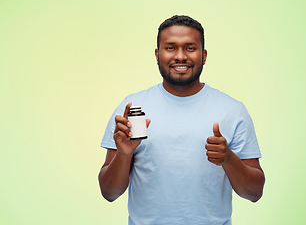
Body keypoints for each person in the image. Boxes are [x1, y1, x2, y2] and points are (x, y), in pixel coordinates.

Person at [98, 15, 265, 225]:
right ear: (157, 55)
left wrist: (229, 160)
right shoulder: (132, 109)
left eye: (190, 48)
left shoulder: (232, 110)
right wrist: (124, 154)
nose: (180, 56)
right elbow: (109, 192)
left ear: (203, 55)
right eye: (170, 47)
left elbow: (255, 193)